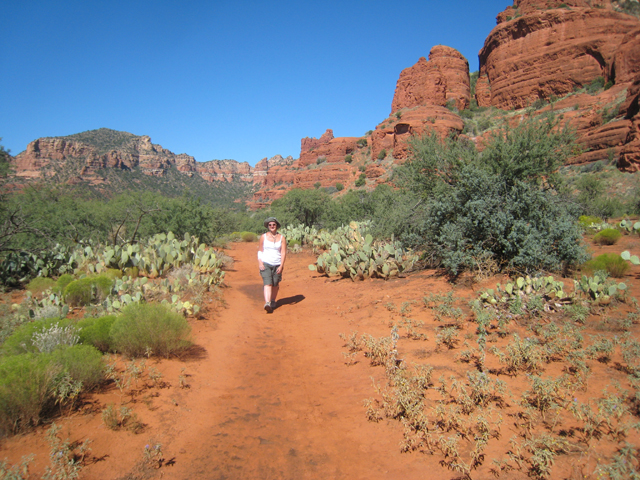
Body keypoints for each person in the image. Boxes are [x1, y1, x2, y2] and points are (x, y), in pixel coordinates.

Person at [258, 217, 287, 313]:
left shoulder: (282, 238)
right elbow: (260, 250)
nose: (272, 226)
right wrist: (260, 262)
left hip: (277, 263)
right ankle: (267, 303)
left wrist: (281, 265)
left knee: (275, 283)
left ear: (277, 226)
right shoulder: (263, 237)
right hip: (266, 263)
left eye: (273, 225)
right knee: (268, 283)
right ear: (267, 226)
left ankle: (273, 300)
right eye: (270, 225)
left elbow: (283, 253)